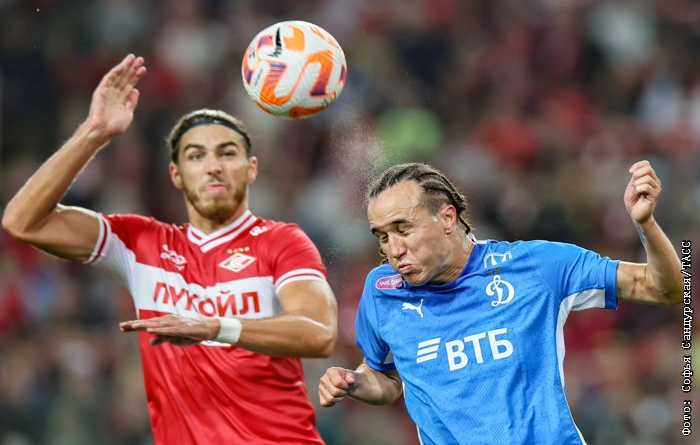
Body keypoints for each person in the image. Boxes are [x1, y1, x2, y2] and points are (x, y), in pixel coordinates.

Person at [2, 54, 338, 444]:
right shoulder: (141, 243)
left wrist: (214, 327)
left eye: (227, 153)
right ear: (176, 175)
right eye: (196, 156)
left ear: (251, 169)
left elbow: (320, 333)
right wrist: (93, 133)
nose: (213, 166)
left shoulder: (281, 241)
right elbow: (22, 222)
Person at [318, 162, 682, 445]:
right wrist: (355, 382)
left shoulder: (535, 267)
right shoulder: (382, 292)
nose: (394, 249)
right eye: (382, 236)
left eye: (403, 229)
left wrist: (646, 224)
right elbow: (386, 378)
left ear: (447, 218)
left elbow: (665, 289)